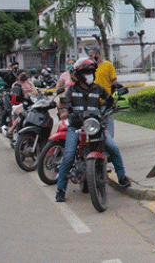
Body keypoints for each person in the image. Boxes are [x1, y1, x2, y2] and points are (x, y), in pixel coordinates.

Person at [55, 58, 130, 202]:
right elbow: (64, 106)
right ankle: (61, 189)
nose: (89, 74)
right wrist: (64, 111)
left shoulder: (98, 88)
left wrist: (114, 104)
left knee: (113, 148)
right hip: (76, 127)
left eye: (91, 71)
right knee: (69, 155)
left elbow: (109, 101)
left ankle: (121, 177)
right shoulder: (71, 90)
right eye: (86, 72)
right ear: (78, 75)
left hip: (96, 126)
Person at [85, 46, 118, 137]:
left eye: (92, 55)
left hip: (107, 99)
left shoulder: (108, 65)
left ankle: (110, 141)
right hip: (93, 101)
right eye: (89, 56)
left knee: (108, 122)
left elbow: (114, 82)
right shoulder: (90, 67)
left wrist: (114, 97)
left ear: (98, 54)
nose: (90, 57)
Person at [6, 70, 38, 138]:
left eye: (24, 74)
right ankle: (11, 129)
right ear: (17, 76)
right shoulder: (15, 85)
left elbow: (35, 92)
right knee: (23, 114)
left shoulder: (29, 83)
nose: (24, 75)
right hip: (18, 104)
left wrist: (26, 94)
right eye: (21, 74)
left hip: (30, 103)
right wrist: (26, 94)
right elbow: (16, 96)